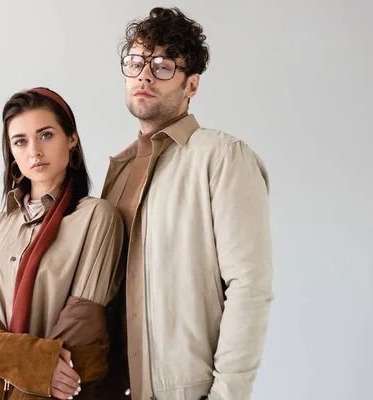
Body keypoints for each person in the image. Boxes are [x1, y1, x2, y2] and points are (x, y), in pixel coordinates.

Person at [100, 7, 274, 400]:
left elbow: (249, 287)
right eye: (136, 62)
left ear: (191, 85)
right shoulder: (118, 171)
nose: (144, 74)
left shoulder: (222, 156)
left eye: (163, 66)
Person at [0, 87, 125, 400]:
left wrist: (4, 358)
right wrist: (32, 361)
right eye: (21, 141)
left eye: (46, 135)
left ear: (72, 139)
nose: (34, 151)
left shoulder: (96, 218)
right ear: (11, 153)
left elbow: (81, 337)